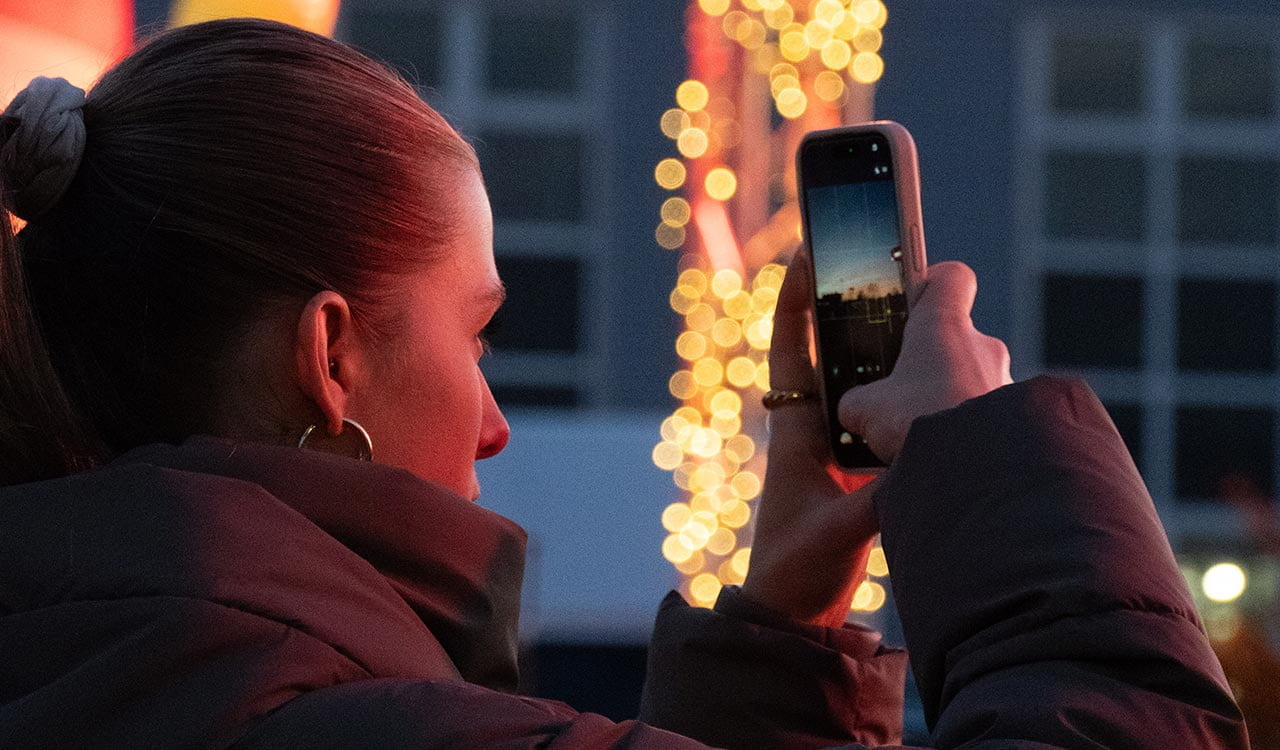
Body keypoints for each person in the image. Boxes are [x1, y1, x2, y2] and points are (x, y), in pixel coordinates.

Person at [0, 18, 1248, 750]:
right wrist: (992, 463)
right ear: (330, 359)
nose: (492, 422)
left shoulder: (113, 662)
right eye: (476, 333)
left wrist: (783, 628)